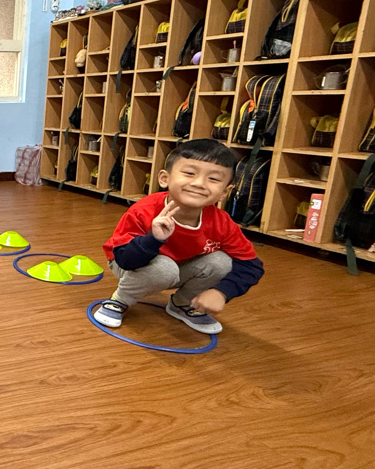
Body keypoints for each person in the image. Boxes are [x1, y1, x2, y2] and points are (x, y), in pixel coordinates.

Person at [95, 139, 264, 334]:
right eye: (190, 173)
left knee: (222, 262)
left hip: (179, 267)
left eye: (213, 179)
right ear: (164, 178)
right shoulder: (144, 210)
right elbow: (125, 260)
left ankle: (182, 304)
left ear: (225, 192)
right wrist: (153, 239)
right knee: (164, 268)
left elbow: (252, 266)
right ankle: (120, 299)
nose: (199, 183)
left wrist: (221, 292)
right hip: (131, 262)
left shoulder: (222, 222)